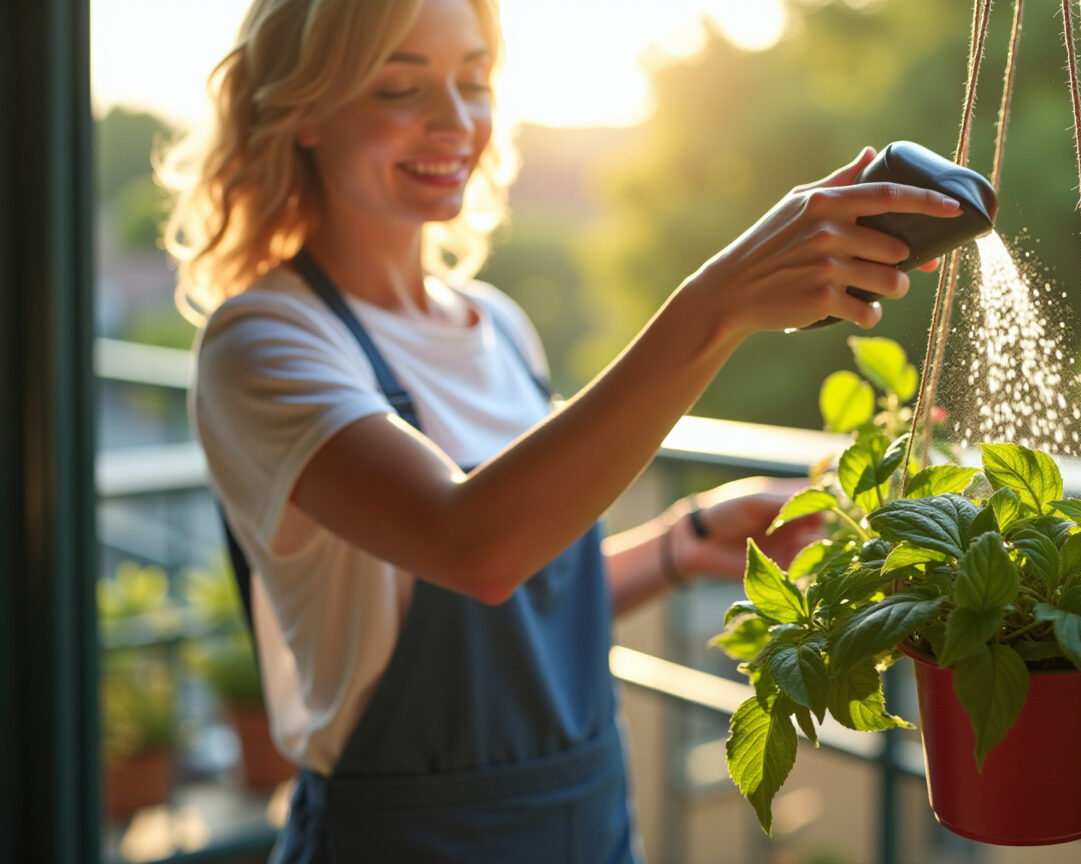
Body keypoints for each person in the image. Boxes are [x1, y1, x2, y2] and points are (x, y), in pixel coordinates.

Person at [160, 0, 959, 859]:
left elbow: (525, 589)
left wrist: (681, 543)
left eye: (473, 80)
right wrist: (715, 307)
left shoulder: (498, 326)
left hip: (588, 818)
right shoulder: (263, 342)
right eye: (400, 86)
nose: (455, 121)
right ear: (303, 108)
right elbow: (471, 546)